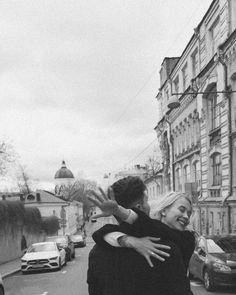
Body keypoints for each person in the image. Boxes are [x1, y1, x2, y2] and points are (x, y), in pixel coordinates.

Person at [87, 176, 195, 295]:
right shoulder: (164, 250)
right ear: (139, 207)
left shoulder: (97, 252)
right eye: (147, 201)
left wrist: (125, 239)